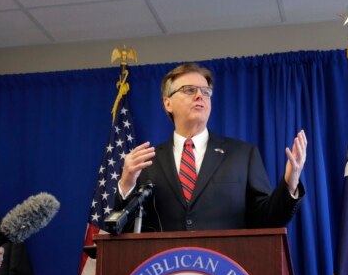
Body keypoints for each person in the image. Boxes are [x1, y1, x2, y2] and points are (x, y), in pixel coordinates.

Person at [117, 62, 308, 232]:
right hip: (166, 269)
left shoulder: (242, 155)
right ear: (168, 103)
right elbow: (124, 229)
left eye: (205, 91)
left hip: (225, 269)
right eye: (190, 90)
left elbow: (267, 221)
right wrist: (126, 184)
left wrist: (290, 183)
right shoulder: (147, 161)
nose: (200, 95)